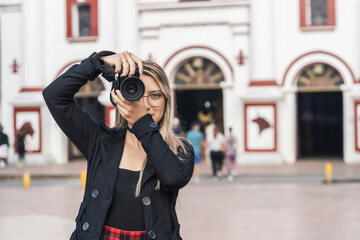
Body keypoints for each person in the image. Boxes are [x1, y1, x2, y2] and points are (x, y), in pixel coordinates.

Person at [43, 51, 194, 240]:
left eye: (155, 95)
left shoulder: (179, 149)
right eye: (136, 93)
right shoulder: (100, 141)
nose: (145, 105)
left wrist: (141, 123)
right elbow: (54, 96)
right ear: (120, 97)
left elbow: (173, 178)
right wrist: (97, 63)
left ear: (166, 100)